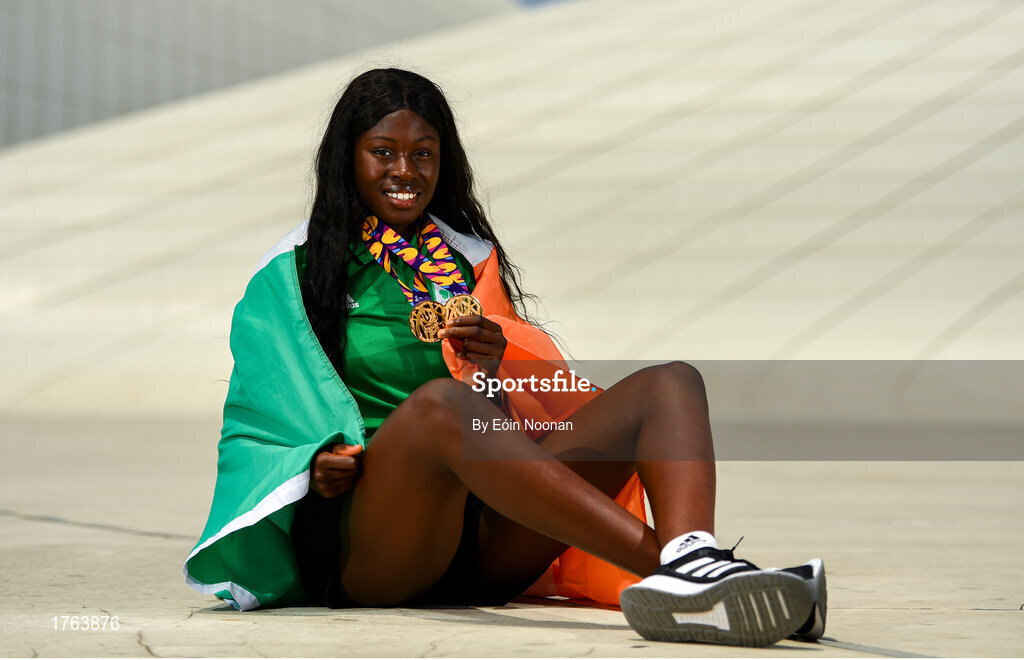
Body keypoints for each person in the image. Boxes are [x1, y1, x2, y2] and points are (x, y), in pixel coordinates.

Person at [184, 68, 826, 648]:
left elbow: (498, 428)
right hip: (374, 543)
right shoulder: (293, 272)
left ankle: (693, 555)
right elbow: (255, 427)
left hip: (482, 539)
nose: (404, 171)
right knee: (437, 406)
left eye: (423, 154)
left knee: (670, 384)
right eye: (383, 152)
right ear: (346, 159)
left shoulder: (466, 260)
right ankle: (683, 573)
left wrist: (491, 366)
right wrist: (311, 463)